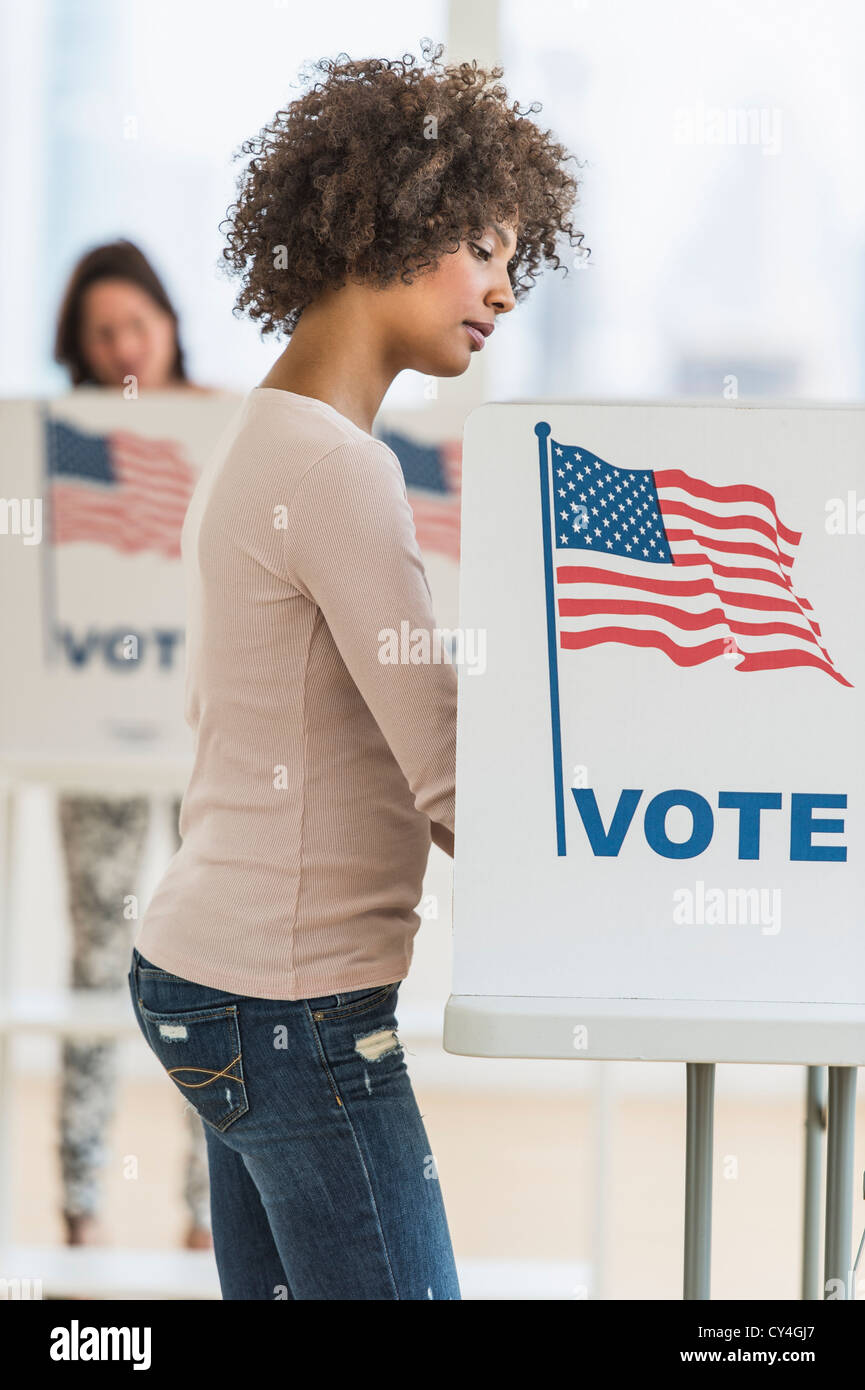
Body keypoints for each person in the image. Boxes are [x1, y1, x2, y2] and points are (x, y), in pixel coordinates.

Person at [129, 40, 585, 1299]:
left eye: (513, 256)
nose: (503, 289)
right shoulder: (340, 469)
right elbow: (446, 778)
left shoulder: (273, 435)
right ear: (391, 221)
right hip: (291, 1010)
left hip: (214, 980)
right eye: (480, 248)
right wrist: (619, 868)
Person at [53, 239, 213, 1249]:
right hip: (91, 733)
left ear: (169, 322)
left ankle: (208, 1212)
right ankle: (81, 1202)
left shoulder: (224, 428)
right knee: (95, 964)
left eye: (136, 325)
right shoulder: (56, 439)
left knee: (206, 969)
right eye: (101, 332)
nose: (123, 348)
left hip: (206, 737)